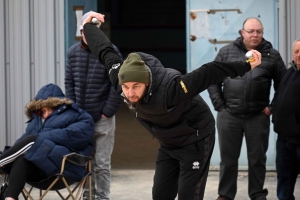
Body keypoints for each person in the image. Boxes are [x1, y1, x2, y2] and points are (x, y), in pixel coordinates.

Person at [81, 12, 262, 200]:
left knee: (187, 195)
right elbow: (105, 51)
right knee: (160, 194)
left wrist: (246, 65)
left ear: (147, 83)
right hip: (169, 143)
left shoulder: (172, 89)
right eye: (126, 87)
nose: (130, 93)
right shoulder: (121, 82)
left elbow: (210, 71)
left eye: (136, 87)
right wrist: (88, 27)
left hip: (196, 138)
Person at [207, 18, 287, 200]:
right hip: (229, 115)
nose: (255, 35)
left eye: (258, 31)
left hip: (258, 116)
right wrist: (220, 106)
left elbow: (283, 84)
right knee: (228, 159)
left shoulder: (272, 55)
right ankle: (225, 195)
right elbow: (212, 79)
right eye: (251, 31)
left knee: (257, 159)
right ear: (242, 32)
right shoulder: (226, 53)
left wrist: (272, 107)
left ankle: (257, 194)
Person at [0, 83, 94, 200]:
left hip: (66, 167)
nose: (46, 114)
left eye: (49, 109)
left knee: (32, 140)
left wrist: (39, 139)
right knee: (20, 158)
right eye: (43, 111)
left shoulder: (79, 116)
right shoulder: (37, 120)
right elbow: (21, 143)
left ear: (59, 105)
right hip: (40, 169)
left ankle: (2, 161)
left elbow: (75, 136)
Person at [65, 11, 122, 200]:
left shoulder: (110, 52)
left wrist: (107, 112)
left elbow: (118, 84)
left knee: (102, 164)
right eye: (85, 31)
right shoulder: (72, 53)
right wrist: (74, 110)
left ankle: (102, 198)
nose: (88, 36)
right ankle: (87, 197)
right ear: (81, 31)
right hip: (81, 119)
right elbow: (69, 82)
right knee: (84, 162)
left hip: (103, 119)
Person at [272, 38, 300, 200]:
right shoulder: (289, 72)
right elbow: (278, 96)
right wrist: (274, 111)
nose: (299, 55)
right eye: (296, 51)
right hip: (284, 140)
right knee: (284, 182)